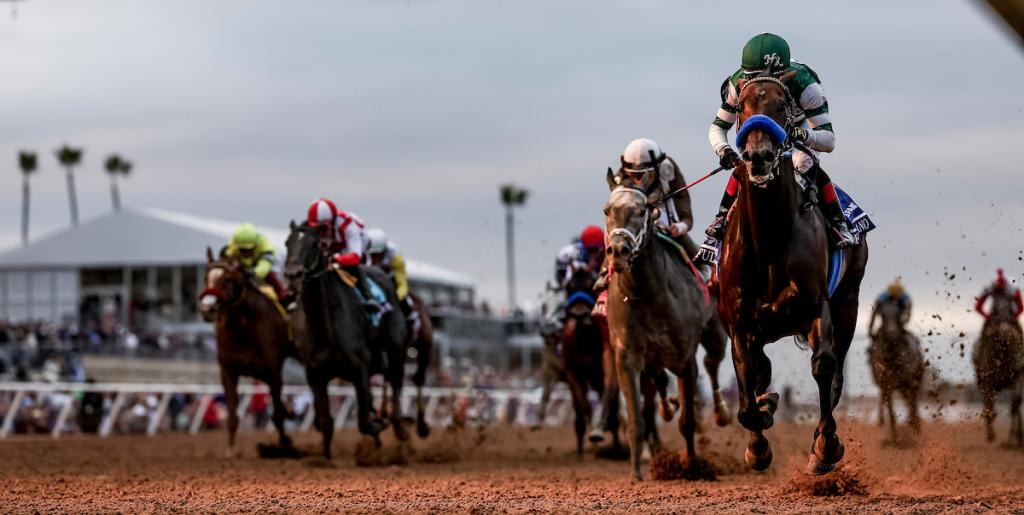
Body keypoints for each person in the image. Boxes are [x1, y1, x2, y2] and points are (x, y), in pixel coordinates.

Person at [696, 32, 855, 269]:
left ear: (784, 74)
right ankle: (720, 220)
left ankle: (837, 221)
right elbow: (718, 127)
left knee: (802, 163)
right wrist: (724, 151)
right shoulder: (737, 82)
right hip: (758, 131)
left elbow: (829, 140)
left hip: (797, 124)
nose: (760, 84)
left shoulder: (804, 82)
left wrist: (802, 135)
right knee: (745, 165)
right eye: (753, 78)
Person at [610, 137, 708, 279]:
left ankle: (704, 270)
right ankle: (604, 275)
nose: (638, 181)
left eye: (643, 175)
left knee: (684, 241)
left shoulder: (668, 169)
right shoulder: (620, 180)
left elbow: (683, 202)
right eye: (634, 175)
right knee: (614, 242)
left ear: (657, 169)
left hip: (663, 214)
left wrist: (680, 226)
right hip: (636, 219)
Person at [306, 198, 379, 312]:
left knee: (352, 267)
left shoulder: (349, 226)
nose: (321, 233)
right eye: (317, 229)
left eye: (323, 228)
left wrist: (337, 259)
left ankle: (369, 297)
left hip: (356, 247)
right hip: (337, 245)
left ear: (333, 221)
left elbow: (355, 257)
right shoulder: (323, 228)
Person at [223, 223, 290, 304]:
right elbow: (227, 257)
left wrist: (253, 272)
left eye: (249, 250)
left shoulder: (265, 245)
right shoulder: (233, 244)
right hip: (243, 265)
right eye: (242, 250)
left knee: (271, 275)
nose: (246, 253)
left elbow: (264, 268)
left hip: (264, 265)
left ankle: (283, 296)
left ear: (255, 244)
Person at [365, 228, 417, 324]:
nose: (374, 259)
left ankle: (410, 319)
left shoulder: (395, 258)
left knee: (404, 302)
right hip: (372, 280)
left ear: (384, 251)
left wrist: (397, 297)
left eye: (377, 255)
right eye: (372, 255)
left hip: (391, 280)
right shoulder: (363, 252)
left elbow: (402, 284)